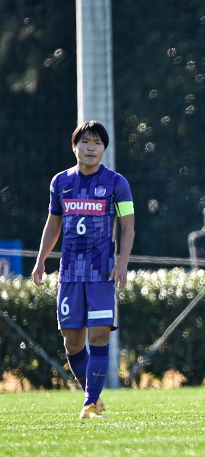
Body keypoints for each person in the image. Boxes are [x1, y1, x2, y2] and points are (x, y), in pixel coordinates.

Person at [31, 120, 135, 419]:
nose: (91, 148)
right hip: (70, 274)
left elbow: (128, 226)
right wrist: (40, 260)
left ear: (104, 149)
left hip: (102, 273)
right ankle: (95, 399)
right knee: (72, 341)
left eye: (97, 143)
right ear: (74, 146)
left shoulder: (117, 183)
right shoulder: (60, 182)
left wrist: (122, 262)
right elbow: (53, 224)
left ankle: (90, 402)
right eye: (86, 142)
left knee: (99, 337)